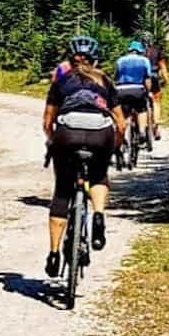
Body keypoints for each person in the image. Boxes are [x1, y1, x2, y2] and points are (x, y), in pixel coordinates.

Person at [43, 37, 125, 278]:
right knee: (99, 176)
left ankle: (54, 253)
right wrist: (115, 147)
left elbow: (48, 121)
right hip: (100, 134)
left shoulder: (62, 81)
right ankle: (98, 216)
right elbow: (120, 124)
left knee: (62, 190)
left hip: (67, 133)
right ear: (96, 60)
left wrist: (52, 141)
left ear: (70, 60)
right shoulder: (105, 81)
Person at [113, 38, 156, 147]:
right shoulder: (144, 60)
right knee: (141, 110)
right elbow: (147, 79)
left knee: (125, 113)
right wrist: (148, 91)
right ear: (140, 50)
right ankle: (142, 131)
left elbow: (116, 77)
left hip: (121, 90)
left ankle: (124, 134)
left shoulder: (120, 60)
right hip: (138, 89)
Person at [143, 38, 169, 136]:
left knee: (141, 102)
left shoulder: (137, 52)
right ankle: (156, 128)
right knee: (156, 101)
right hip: (154, 77)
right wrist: (167, 80)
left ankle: (142, 126)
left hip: (141, 78)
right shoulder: (157, 50)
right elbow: (163, 67)